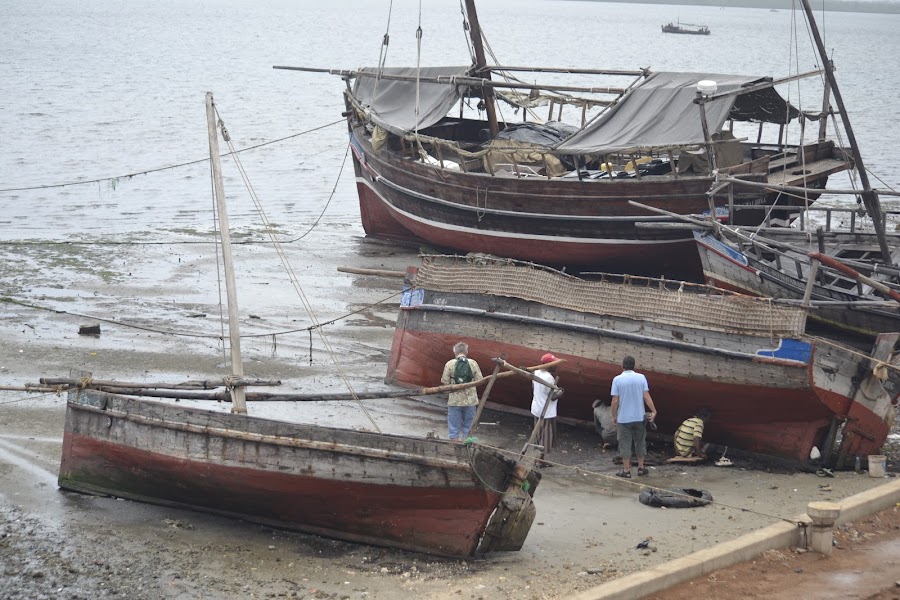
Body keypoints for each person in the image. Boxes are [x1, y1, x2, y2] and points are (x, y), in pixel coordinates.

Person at [611, 356, 657, 478]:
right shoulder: (641, 378)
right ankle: (641, 468)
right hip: (639, 417)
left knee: (625, 444)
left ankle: (626, 471)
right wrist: (653, 410)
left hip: (624, 418)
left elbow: (615, 400)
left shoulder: (617, 379)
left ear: (622, 366)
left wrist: (613, 415)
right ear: (634, 366)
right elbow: (646, 396)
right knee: (640, 442)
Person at [440, 342, 483, 442]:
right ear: (466, 352)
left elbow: (445, 382)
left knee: (454, 428)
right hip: (470, 400)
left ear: (455, 351)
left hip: (455, 400)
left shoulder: (449, 364)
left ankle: (455, 447)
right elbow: (480, 380)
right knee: (468, 427)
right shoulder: (473, 363)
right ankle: (466, 447)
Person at [531, 352, 562, 467]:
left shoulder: (536, 372)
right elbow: (553, 396)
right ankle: (540, 460)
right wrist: (560, 392)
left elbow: (535, 388)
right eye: (554, 364)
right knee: (546, 437)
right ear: (549, 365)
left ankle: (537, 459)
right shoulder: (549, 378)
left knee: (538, 434)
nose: (556, 366)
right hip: (546, 411)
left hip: (536, 407)